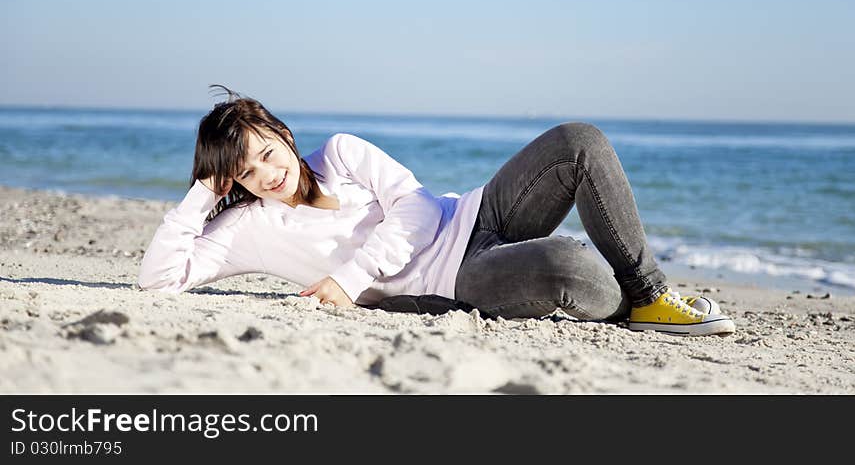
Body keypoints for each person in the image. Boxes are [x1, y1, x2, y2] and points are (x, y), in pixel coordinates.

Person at [138, 86, 735, 336]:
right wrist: (202, 192)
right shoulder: (248, 226)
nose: (268, 175)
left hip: (475, 215)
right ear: (231, 182)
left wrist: (349, 279)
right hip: (454, 281)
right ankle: (630, 307)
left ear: (282, 133)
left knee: (578, 141)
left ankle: (648, 294)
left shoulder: (342, 152)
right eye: (246, 173)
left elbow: (419, 211)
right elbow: (161, 279)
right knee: (568, 268)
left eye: (267, 153)